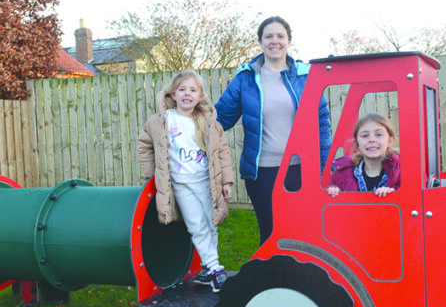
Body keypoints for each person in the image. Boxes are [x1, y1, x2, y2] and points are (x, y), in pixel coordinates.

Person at [215, 16, 331, 244]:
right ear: (260, 41)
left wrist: (325, 169)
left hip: (301, 170)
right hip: (262, 172)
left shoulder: (305, 77)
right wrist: (185, 119)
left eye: (280, 36)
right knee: (271, 236)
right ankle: (271, 280)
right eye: (268, 36)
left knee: (303, 235)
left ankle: (301, 280)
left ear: (289, 41)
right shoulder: (246, 79)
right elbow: (219, 120)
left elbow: (322, 126)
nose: (274, 41)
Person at [136, 70, 234, 292]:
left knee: (211, 223)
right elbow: (143, 145)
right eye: (182, 89)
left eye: (193, 90)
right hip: (180, 184)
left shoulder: (207, 121)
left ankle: (209, 267)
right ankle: (216, 268)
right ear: (173, 93)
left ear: (200, 95)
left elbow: (222, 151)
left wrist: (226, 182)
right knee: (196, 225)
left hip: (206, 182)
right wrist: (153, 174)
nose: (187, 94)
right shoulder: (161, 121)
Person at [327, 113, 400, 197]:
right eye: (365, 135)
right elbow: (332, 206)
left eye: (379, 134)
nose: (372, 140)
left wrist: (395, 194)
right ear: (357, 143)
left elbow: (411, 199)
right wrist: (334, 192)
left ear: (390, 141)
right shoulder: (341, 174)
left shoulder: (402, 172)